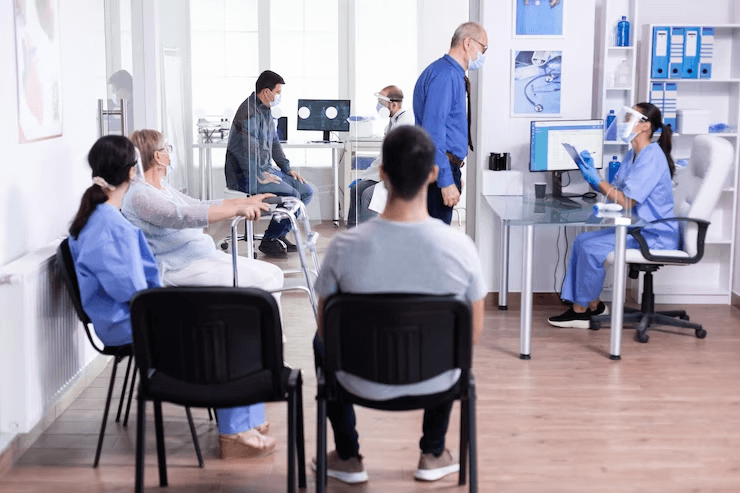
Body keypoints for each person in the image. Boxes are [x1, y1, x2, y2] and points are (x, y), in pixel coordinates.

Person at [312, 126, 486, 484]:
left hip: (357, 381)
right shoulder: (460, 248)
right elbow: (473, 334)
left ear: (382, 173)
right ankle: (434, 452)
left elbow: (326, 329)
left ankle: (347, 456)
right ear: (434, 174)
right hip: (437, 380)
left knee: (320, 343)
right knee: (454, 340)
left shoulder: (344, 246)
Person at [123, 129, 282, 457]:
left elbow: (199, 204)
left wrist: (242, 201)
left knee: (272, 276)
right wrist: (237, 210)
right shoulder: (139, 194)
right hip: (179, 270)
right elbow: (184, 217)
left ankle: (258, 375)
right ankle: (258, 368)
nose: (171, 152)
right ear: (157, 156)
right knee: (257, 296)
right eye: (167, 148)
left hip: (201, 259)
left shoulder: (159, 186)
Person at [548, 102, 679, 328]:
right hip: (636, 228)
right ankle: (594, 306)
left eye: (630, 118)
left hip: (654, 234)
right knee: (581, 241)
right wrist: (593, 173)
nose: (624, 122)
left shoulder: (651, 157)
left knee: (591, 248)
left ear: (645, 126)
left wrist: (596, 180)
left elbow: (627, 201)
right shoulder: (632, 155)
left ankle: (580, 312)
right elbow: (616, 193)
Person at [225, 70, 315, 258]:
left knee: (306, 190)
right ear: (267, 92)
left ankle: (278, 235)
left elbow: (274, 142)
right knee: (293, 195)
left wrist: (286, 168)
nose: (279, 96)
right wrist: (259, 176)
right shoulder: (247, 113)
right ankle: (270, 240)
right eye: (278, 92)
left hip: (266, 170)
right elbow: (247, 152)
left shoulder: (265, 109)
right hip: (247, 174)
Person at [413, 22, 488, 225]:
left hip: (442, 166)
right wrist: (445, 179)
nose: (483, 55)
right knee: (433, 246)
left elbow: (447, 127)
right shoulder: (446, 76)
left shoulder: (448, 73)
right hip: (437, 171)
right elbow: (433, 133)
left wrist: (453, 171)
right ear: (468, 42)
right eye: (484, 48)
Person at [346, 85, 414, 228]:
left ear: (394, 104)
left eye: (381, 104)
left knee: (367, 194)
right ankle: (352, 235)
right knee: (356, 189)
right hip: (385, 174)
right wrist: (365, 176)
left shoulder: (406, 123)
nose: (378, 107)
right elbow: (382, 158)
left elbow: (399, 161)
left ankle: (369, 239)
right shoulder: (391, 124)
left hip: (398, 177)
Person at [108, 70, 134, 136]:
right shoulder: (129, 106)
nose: (114, 95)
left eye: (114, 91)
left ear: (122, 91)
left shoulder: (133, 109)